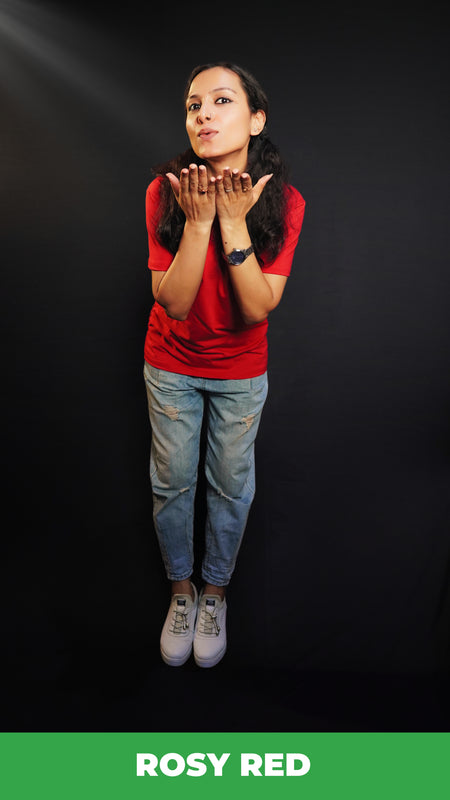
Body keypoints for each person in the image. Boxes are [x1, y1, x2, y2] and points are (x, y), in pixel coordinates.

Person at [143, 61, 305, 668]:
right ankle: (181, 591)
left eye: (220, 101)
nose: (203, 115)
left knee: (231, 489)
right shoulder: (166, 190)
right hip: (171, 362)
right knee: (172, 484)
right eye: (193, 106)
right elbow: (175, 301)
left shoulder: (286, 203)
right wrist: (201, 219)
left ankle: (215, 593)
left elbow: (258, 307)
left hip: (240, 372)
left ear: (255, 119)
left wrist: (233, 222)